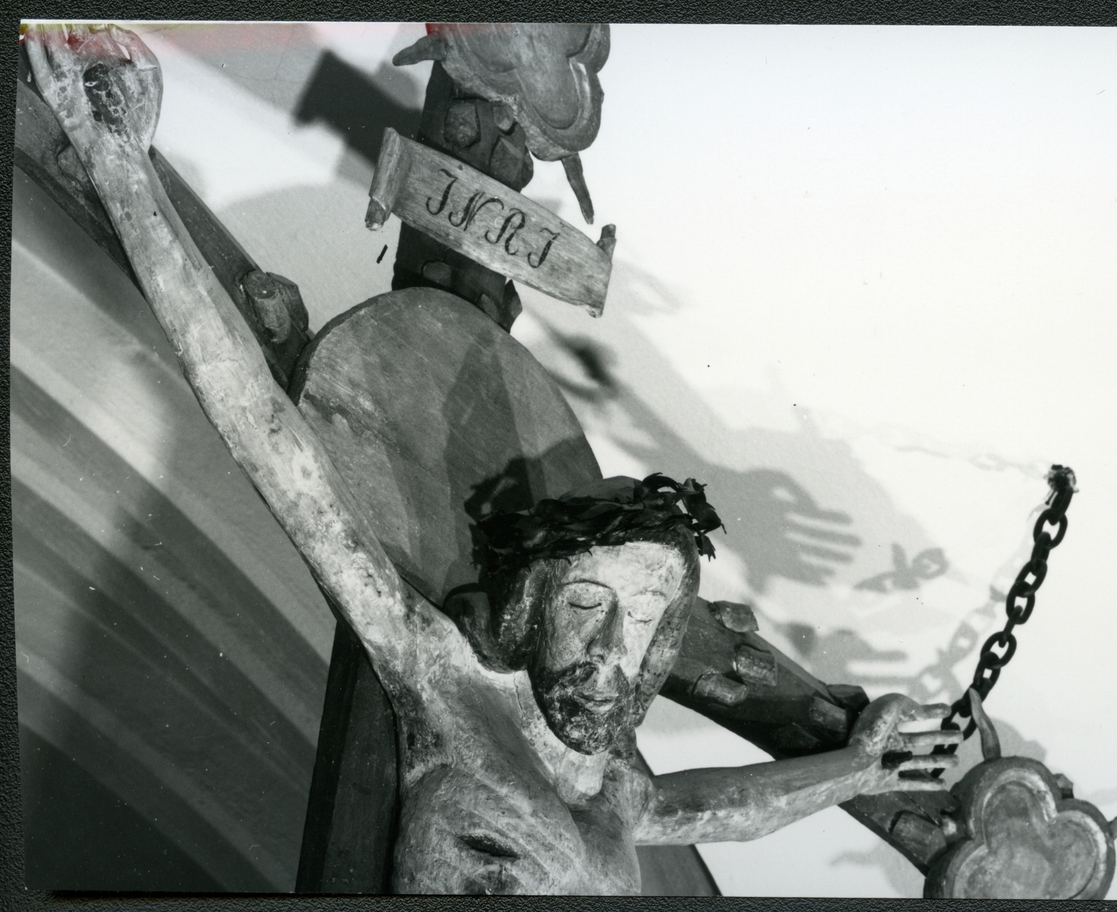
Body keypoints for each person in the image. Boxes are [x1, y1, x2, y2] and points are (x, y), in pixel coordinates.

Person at [26, 23, 960, 895]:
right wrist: (122, 173)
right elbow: (267, 435)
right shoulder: (443, 678)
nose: (611, 652)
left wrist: (856, 769)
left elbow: (731, 809)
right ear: (533, 604)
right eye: (587, 605)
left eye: (643, 620)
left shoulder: (613, 787)